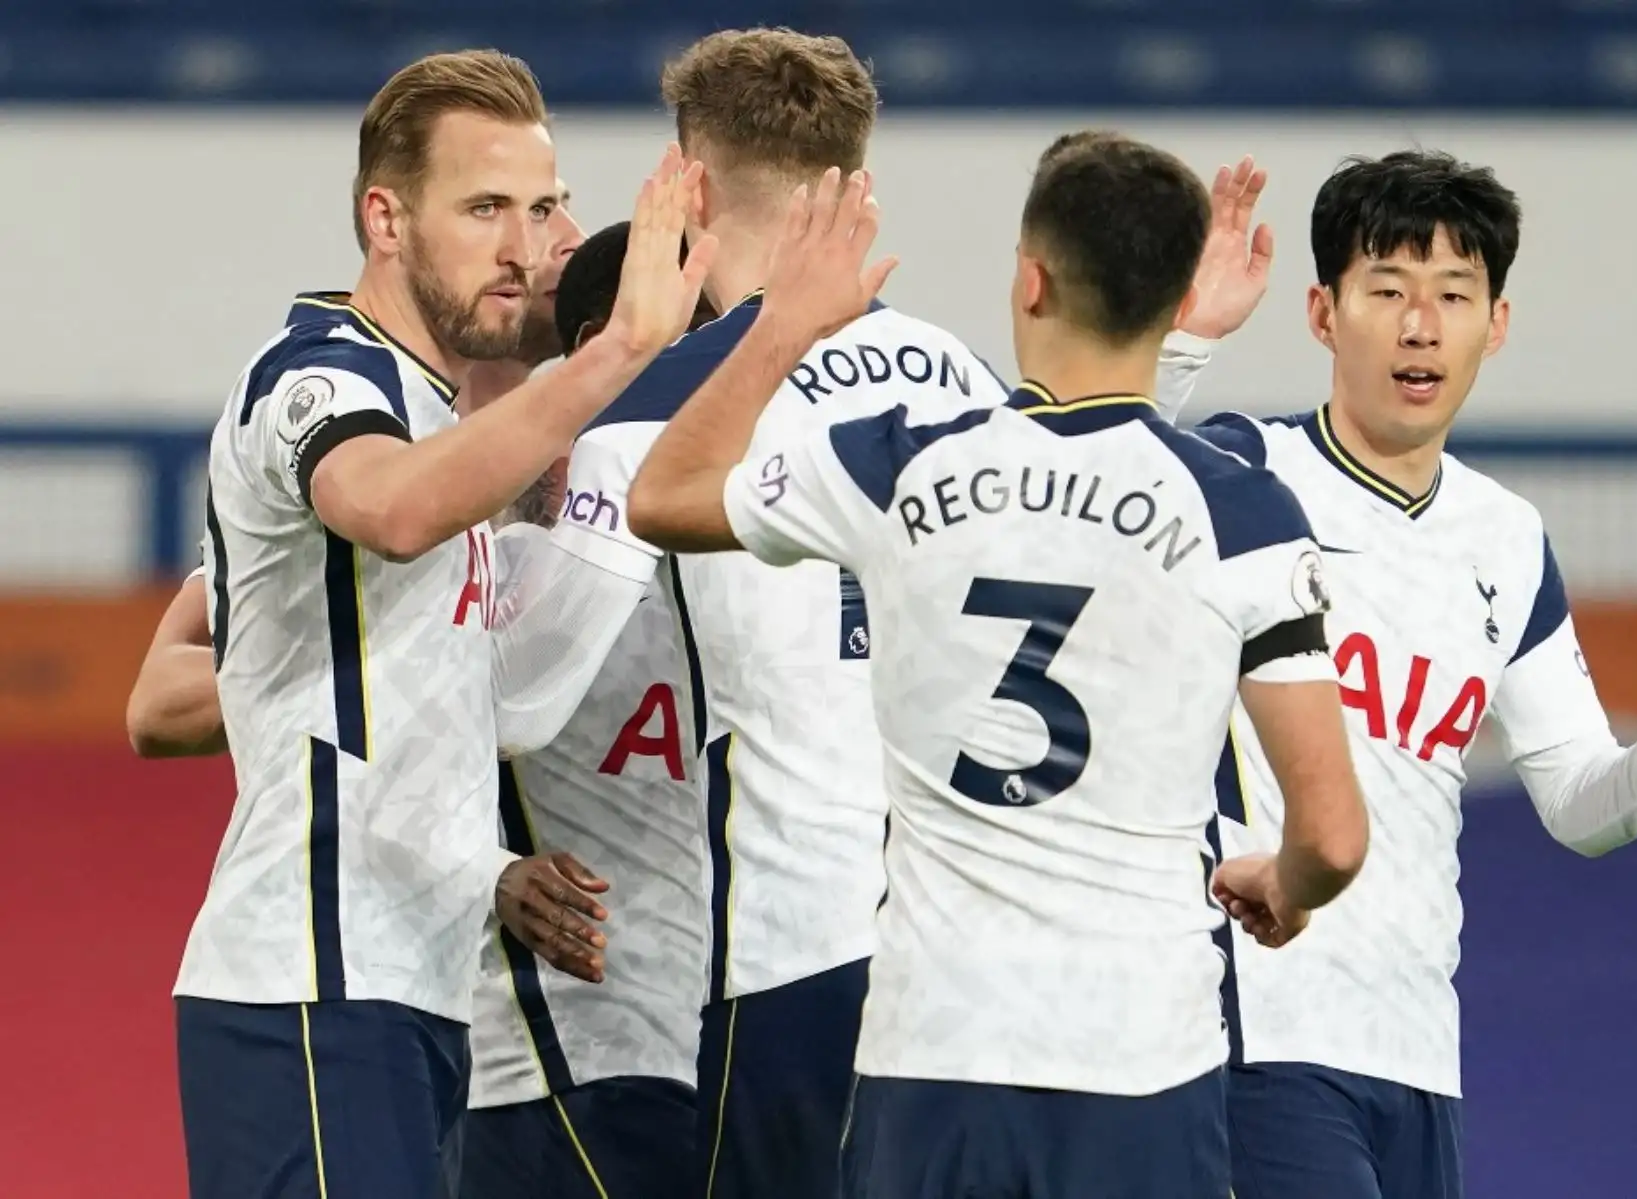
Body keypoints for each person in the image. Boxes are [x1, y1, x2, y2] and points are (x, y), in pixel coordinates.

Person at [625, 138, 1369, 1199]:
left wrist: (782, 323)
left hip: (933, 1054)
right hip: (1140, 1059)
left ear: (1029, 280)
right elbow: (1333, 836)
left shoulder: (899, 461)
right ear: (1175, 301)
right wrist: (1285, 885)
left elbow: (662, 494)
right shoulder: (1242, 511)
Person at [1157, 149, 1637, 1199]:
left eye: (1453, 294)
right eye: (1386, 290)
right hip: (1256, 1026)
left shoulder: (1506, 536)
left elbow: (1577, 801)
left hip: (1419, 1054)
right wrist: (1185, 337)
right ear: (1322, 312)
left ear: (1497, 323)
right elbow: (1082, 477)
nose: (1420, 325)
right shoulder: (1246, 473)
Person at [173, 47, 714, 1199]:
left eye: (542, 208)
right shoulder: (317, 375)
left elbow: (459, 712)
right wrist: (619, 350)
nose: (522, 246)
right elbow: (394, 508)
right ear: (385, 217)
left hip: (413, 987)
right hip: (312, 982)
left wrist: (490, 869)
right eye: (483, 208)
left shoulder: (439, 411)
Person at [519, 31, 1002, 1199]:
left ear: (684, 186)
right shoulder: (968, 382)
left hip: (797, 948)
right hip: (979, 945)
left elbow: (522, 696)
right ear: (858, 187)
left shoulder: (653, 408)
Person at [126, 185, 585, 757]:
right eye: (537, 212)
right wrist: (386, 674)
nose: (573, 240)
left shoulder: (597, 457)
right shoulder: (360, 437)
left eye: (554, 208)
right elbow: (157, 703)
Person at [455, 224, 720, 1199]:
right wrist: (485, 871)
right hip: (561, 1052)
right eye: (706, 337)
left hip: (725, 1041)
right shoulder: (503, 545)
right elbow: (383, 749)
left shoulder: (756, 567)